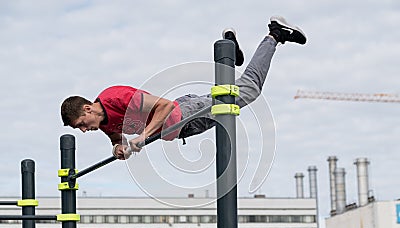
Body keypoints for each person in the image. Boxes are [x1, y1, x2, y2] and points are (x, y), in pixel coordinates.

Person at [61, 16, 307, 160]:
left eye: (81, 123)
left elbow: (165, 106)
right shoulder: (102, 122)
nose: (83, 130)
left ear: (87, 108)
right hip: (185, 122)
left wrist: (143, 137)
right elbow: (115, 134)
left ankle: (275, 34)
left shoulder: (115, 98)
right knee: (230, 93)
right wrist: (117, 146)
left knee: (249, 90)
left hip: (185, 114)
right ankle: (228, 51)